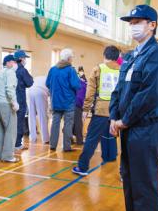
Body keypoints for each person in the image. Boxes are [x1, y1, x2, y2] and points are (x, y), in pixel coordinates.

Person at [109, 4, 158, 211]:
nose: (133, 26)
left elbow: (149, 95)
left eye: (138, 21)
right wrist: (114, 117)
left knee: (144, 183)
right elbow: (119, 90)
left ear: (152, 25)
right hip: (127, 128)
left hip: (145, 128)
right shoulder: (131, 55)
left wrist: (124, 120)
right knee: (129, 179)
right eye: (131, 22)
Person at [72, 46, 120, 176]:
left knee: (92, 139)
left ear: (104, 55)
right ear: (117, 57)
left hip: (101, 110)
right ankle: (117, 164)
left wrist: (85, 109)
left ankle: (82, 167)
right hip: (119, 111)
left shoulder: (98, 69)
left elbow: (90, 92)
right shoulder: (123, 70)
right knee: (116, 137)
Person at [46, 48, 82, 152]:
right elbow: (76, 85)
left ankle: (52, 145)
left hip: (56, 101)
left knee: (55, 123)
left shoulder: (53, 69)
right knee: (68, 124)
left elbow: (47, 83)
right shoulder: (70, 70)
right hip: (68, 102)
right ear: (69, 58)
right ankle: (67, 146)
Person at [0, 55, 20, 162]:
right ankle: (8, 156)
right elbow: (10, 89)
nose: (15, 64)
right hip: (6, 103)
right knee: (10, 130)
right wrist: (14, 102)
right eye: (14, 62)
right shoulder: (10, 72)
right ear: (8, 63)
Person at [13, 50, 34, 151]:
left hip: (11, 99)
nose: (25, 60)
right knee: (19, 122)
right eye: (25, 58)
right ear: (21, 59)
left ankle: (11, 143)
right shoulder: (22, 70)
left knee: (11, 122)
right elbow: (29, 82)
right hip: (20, 99)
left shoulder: (11, 69)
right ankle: (17, 144)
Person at [27, 75, 50, 144]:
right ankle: (45, 138)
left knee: (31, 115)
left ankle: (32, 137)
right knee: (42, 116)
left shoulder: (38, 77)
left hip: (30, 91)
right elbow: (52, 94)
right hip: (41, 92)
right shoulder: (50, 79)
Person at [72, 66, 87, 145]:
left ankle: (70, 137)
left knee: (71, 122)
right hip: (77, 104)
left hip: (71, 103)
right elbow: (81, 96)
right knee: (78, 123)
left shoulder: (78, 81)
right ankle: (79, 140)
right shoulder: (81, 82)